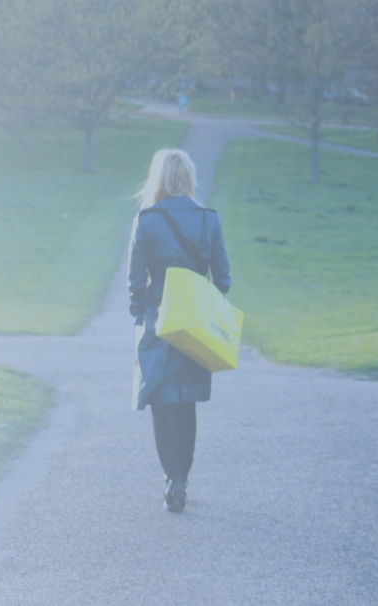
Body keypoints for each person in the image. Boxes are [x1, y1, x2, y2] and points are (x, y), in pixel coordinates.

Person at [126, 148, 231, 512]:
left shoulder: (146, 219)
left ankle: (172, 479)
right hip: (196, 319)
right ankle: (182, 477)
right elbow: (224, 279)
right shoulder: (209, 219)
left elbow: (135, 282)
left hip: (159, 317)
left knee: (160, 399)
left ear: (158, 179)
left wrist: (140, 315)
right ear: (188, 178)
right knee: (187, 401)